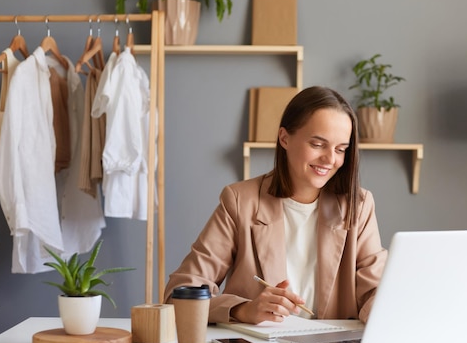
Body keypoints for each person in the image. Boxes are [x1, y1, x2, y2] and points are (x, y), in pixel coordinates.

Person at [164, 86, 387, 325]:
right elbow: (179, 294)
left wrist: (384, 311)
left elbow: (376, 291)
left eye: (341, 149)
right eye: (318, 144)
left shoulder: (359, 206)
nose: (330, 159)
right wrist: (243, 309)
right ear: (284, 138)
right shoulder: (240, 201)